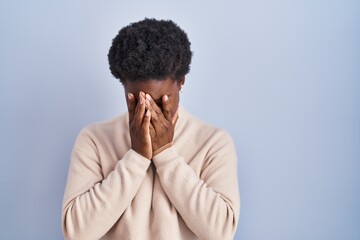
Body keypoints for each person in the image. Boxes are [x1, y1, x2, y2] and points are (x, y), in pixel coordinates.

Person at [62, 18, 240, 240]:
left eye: (161, 100)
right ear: (124, 86)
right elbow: (77, 233)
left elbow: (221, 232)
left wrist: (166, 154)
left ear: (181, 82)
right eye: (139, 100)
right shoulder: (95, 139)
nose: (149, 112)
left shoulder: (213, 142)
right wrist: (136, 157)